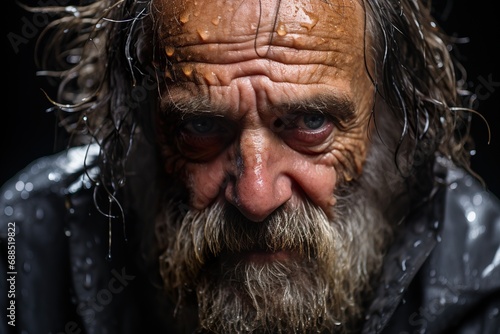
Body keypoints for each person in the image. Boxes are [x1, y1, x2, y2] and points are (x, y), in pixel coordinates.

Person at [1, 0, 499, 333]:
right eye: (200, 128)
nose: (257, 197)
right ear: (140, 128)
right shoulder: (24, 250)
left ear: (390, 119)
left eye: (310, 121)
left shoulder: (481, 277)